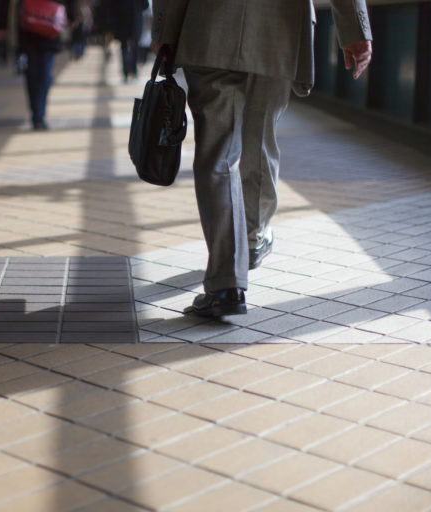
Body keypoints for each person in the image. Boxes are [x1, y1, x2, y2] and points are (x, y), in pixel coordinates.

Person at [151, 0, 373, 317]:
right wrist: (355, 28)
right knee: (260, 139)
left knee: (218, 156)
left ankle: (226, 283)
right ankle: (252, 240)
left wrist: (164, 30)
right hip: (280, 28)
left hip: (210, 26)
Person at [0, 0, 73, 130]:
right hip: (36, 30)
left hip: (39, 31)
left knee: (39, 75)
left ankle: (37, 113)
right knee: (38, 75)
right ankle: (38, 114)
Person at [110, 0, 148, 82]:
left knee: (124, 48)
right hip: (135, 21)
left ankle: (126, 72)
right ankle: (133, 71)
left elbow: (113, 6)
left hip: (122, 22)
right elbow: (145, 5)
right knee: (134, 47)